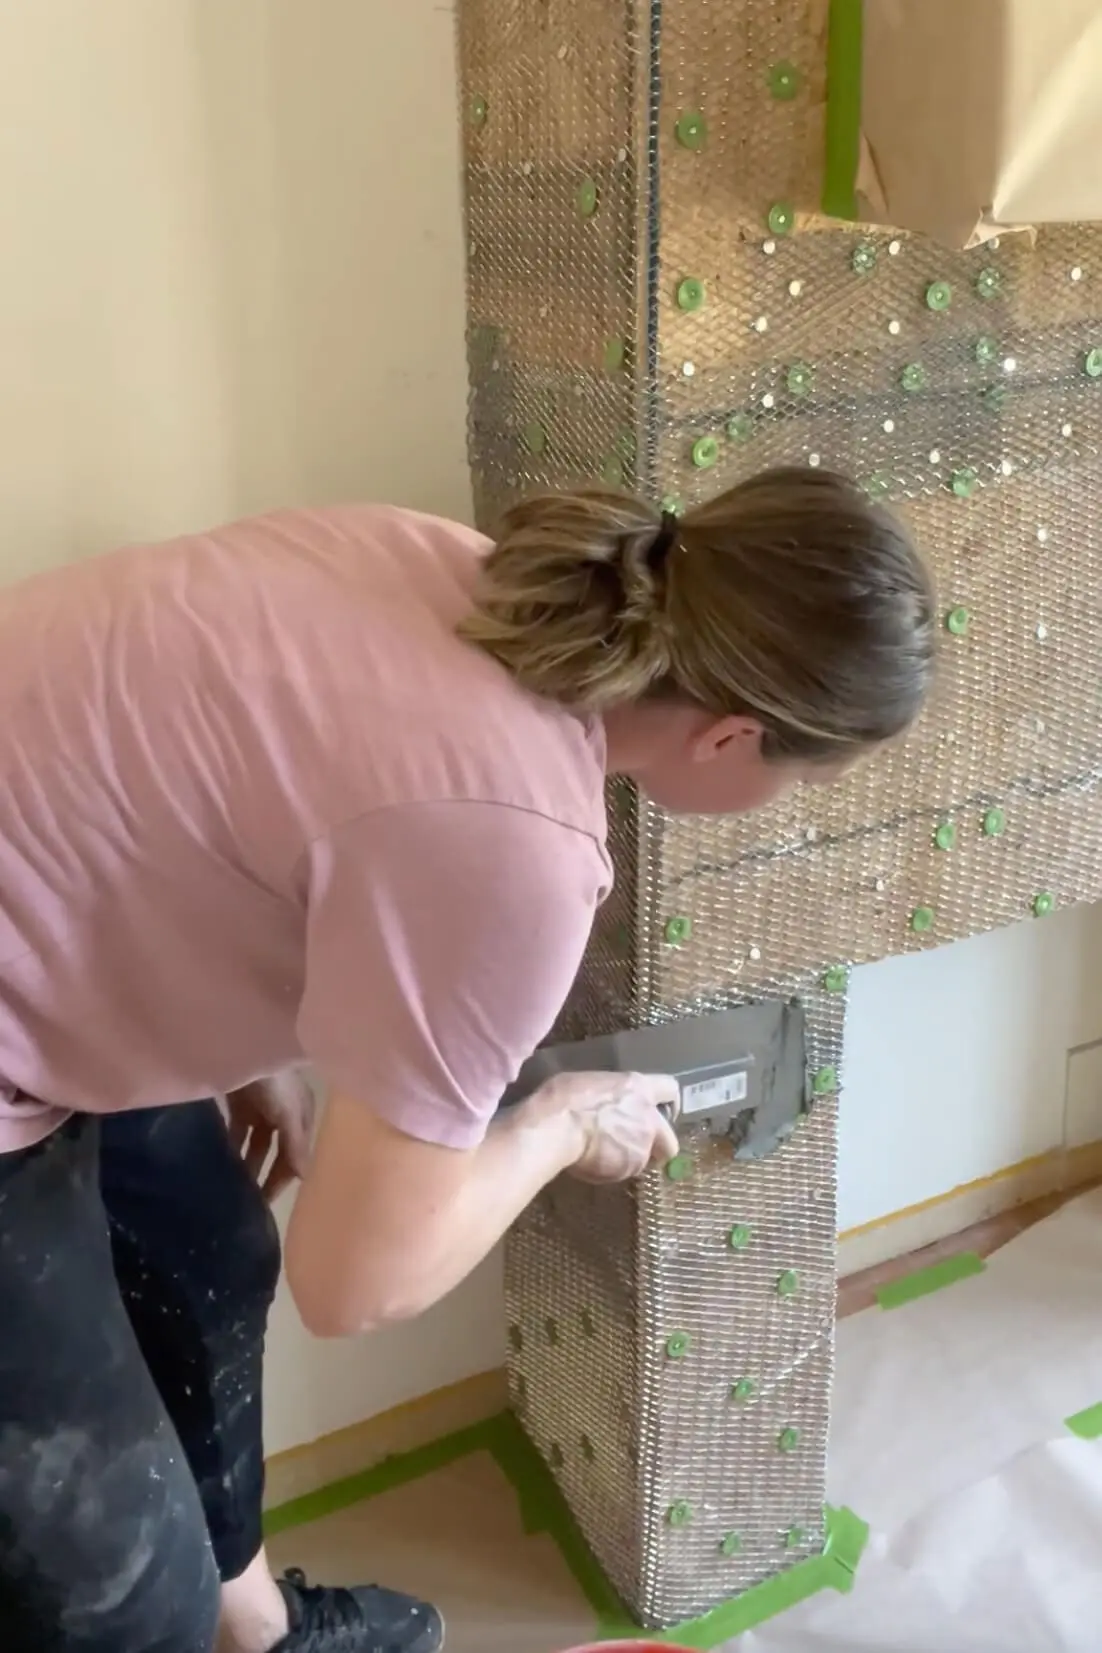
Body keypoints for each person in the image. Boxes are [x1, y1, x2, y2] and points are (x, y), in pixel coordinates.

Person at [0, 466, 934, 1652]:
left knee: (210, 1252)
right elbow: (355, 1288)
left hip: (38, 926)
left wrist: (230, 1043)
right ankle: (184, 1623)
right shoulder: (522, 846)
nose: (787, 801)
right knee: (121, 1595)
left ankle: (259, 1632)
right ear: (731, 735)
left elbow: (193, 776)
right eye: (805, 777)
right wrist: (552, 1129)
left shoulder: (448, 563)